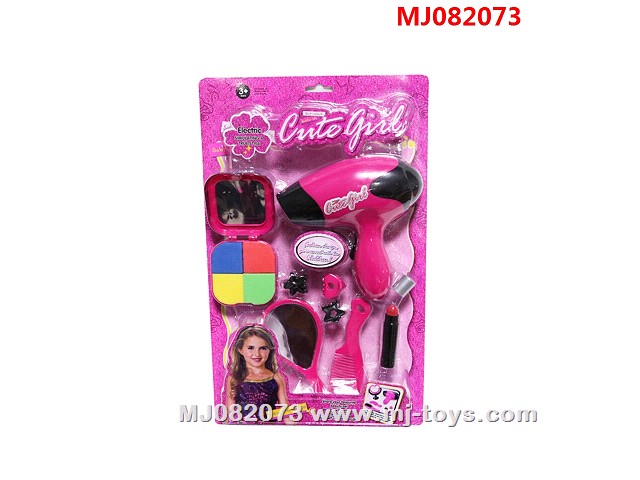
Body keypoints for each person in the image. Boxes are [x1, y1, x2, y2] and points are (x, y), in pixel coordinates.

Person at [225, 325, 288, 421]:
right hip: (242, 427)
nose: (257, 354)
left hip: (270, 427)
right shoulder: (235, 379)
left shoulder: (277, 378)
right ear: (240, 350)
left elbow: (286, 412)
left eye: (263, 348)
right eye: (250, 348)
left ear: (270, 350)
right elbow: (230, 413)